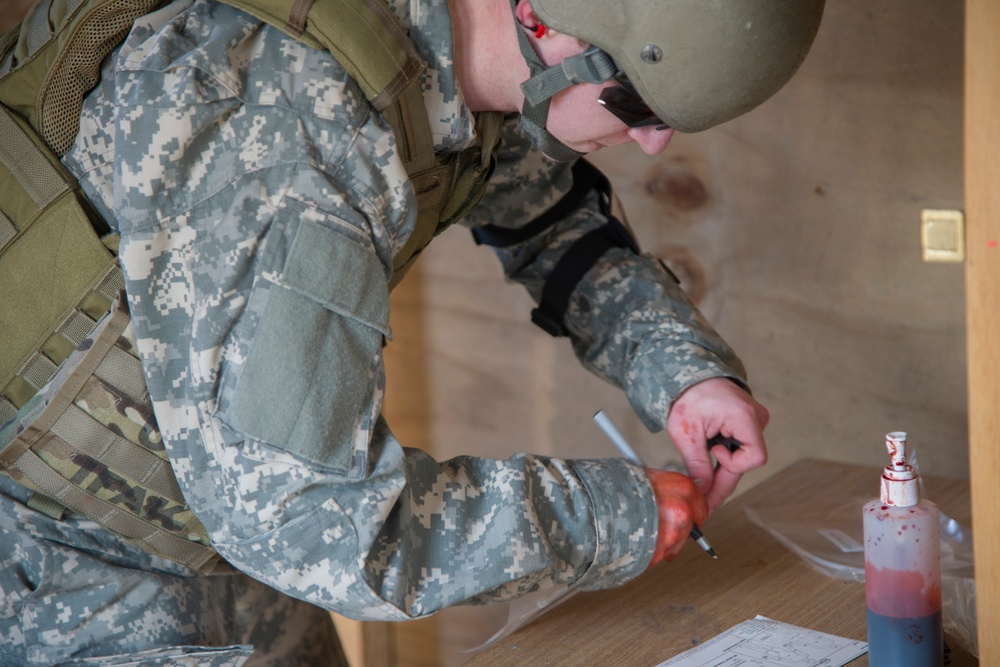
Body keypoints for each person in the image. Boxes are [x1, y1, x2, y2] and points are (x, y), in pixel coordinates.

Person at [0, 0, 823, 664]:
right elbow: (321, 524)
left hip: (226, 514)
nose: (653, 139)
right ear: (544, 25)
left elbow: (541, 204)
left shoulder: (440, 35)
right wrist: (615, 514)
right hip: (69, 572)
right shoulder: (293, 125)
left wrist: (683, 372)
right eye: (636, 102)